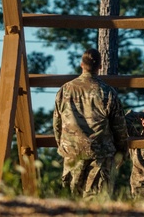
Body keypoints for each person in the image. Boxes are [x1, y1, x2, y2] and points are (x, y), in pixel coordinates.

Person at [53, 48, 129, 198]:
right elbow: (119, 127)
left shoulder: (65, 90)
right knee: (96, 199)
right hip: (100, 153)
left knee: (71, 199)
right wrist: (121, 152)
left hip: (72, 152)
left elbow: (57, 123)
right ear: (100, 67)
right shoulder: (107, 91)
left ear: (81, 65)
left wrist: (63, 144)